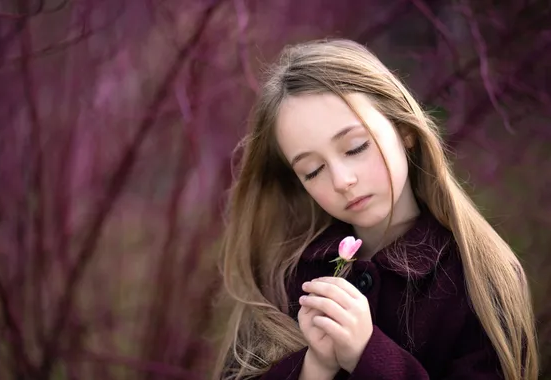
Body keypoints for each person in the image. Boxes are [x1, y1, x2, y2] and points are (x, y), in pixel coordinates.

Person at [210, 39, 539, 380]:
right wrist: (314, 369)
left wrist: (368, 355)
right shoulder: (285, 276)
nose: (341, 180)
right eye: (313, 170)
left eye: (356, 147)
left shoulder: (478, 276)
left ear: (404, 129)